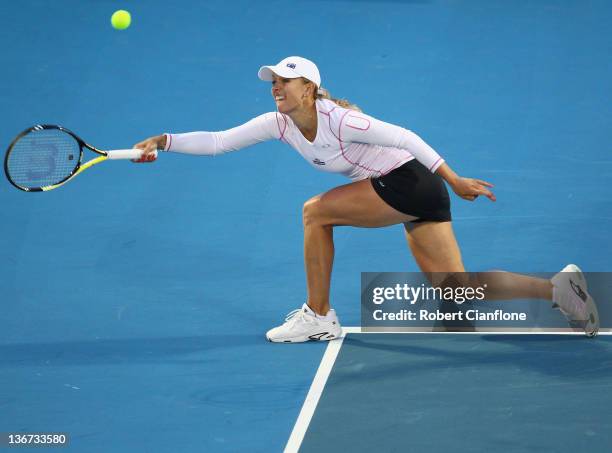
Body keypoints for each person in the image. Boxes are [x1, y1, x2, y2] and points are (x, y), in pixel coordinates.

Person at [133, 56, 600, 341]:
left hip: (411, 184)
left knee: (315, 213)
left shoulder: (340, 121)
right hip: (412, 191)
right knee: (455, 289)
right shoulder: (278, 123)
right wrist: (163, 140)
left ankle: (319, 315)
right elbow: (218, 141)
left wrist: (455, 179)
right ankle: (555, 288)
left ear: (310, 89)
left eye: (284, 81)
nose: (275, 86)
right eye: (272, 81)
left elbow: (407, 136)